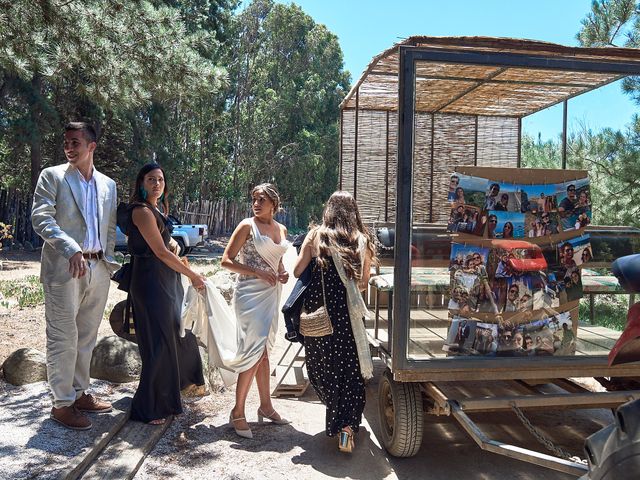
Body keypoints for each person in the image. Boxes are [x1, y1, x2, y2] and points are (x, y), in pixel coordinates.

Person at [32, 122, 119, 430]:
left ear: (91, 146)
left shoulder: (108, 184)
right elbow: (40, 217)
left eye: (75, 142)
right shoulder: (52, 176)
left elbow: (108, 229)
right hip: (65, 269)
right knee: (62, 337)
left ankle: (79, 393)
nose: (69, 147)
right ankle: (61, 404)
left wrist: (108, 262)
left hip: (98, 269)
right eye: (66, 142)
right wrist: (71, 249)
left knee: (86, 336)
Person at [293, 191, 376, 453]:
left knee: (324, 371)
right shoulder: (362, 241)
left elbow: (297, 271)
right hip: (348, 321)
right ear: (354, 212)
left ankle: (339, 418)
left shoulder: (316, 236)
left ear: (328, 209)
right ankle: (347, 428)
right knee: (351, 373)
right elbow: (363, 284)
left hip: (320, 320)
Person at [126, 163, 207, 425]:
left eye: (161, 179)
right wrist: (192, 276)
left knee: (174, 335)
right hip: (150, 281)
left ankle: (169, 397)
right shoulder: (141, 211)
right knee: (158, 342)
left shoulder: (158, 210)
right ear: (141, 182)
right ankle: (147, 408)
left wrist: (186, 267)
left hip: (166, 281)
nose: (157, 184)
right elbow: (160, 252)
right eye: (151, 179)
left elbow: (168, 249)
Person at [221, 183, 291, 438]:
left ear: (274, 203)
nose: (257, 203)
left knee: (263, 353)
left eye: (262, 199)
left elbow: (279, 262)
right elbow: (226, 260)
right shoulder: (246, 226)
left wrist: (281, 273)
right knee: (254, 351)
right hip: (249, 295)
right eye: (254, 199)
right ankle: (238, 411)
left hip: (271, 294)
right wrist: (257, 272)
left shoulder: (281, 229)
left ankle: (266, 406)